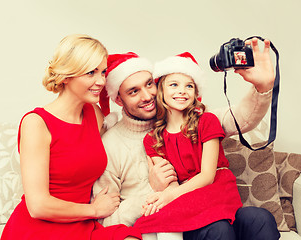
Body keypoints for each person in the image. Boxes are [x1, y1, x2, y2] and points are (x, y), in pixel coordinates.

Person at [93, 38, 280, 240]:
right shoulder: (111, 144)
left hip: (209, 205)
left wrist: (263, 87)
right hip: (171, 222)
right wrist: (153, 194)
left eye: (149, 84)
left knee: (259, 218)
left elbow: (240, 118)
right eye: (134, 91)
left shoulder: (194, 118)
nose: (147, 96)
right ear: (119, 99)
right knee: (218, 230)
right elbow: (106, 220)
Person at [1, 34, 141, 240]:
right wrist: (95, 210)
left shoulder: (94, 113)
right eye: (91, 72)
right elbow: (38, 206)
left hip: (82, 226)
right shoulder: (36, 123)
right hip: (40, 229)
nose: (101, 81)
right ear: (66, 75)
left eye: (103, 72)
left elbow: (120, 145)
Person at [133, 51, 243, 238]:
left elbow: (207, 176)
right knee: (148, 221)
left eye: (189, 86)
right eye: (174, 85)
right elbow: (169, 182)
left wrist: (168, 197)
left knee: (164, 213)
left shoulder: (207, 121)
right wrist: (164, 196)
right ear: (161, 91)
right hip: (184, 193)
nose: (182, 91)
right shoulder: (152, 138)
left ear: (195, 93)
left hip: (215, 188)